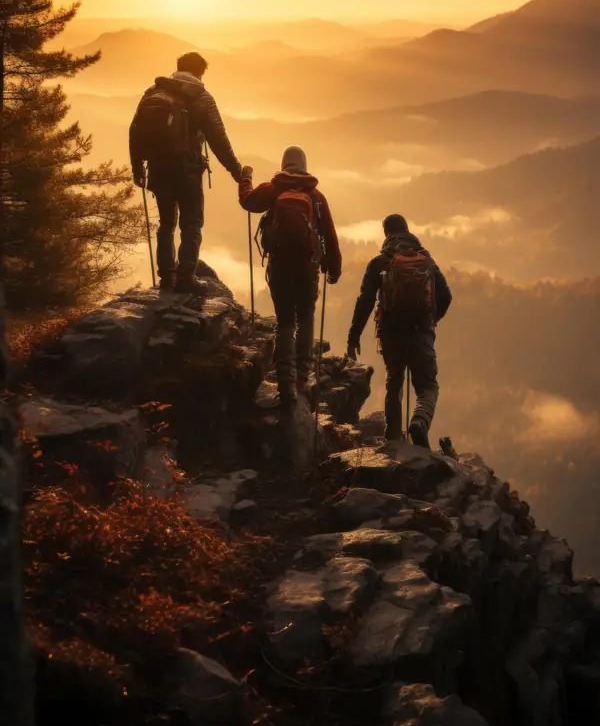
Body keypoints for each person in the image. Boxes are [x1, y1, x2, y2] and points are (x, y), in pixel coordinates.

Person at [130, 51, 243, 293]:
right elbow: (218, 139)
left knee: (166, 223)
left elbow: (135, 129)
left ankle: (166, 278)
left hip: (159, 168)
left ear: (178, 68)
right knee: (191, 224)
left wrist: (137, 167)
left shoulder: (153, 92)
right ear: (200, 72)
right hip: (187, 170)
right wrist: (237, 171)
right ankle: (186, 278)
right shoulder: (201, 97)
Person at [239, 147, 342, 408]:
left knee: (285, 323)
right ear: (304, 165)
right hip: (308, 267)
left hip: (280, 266)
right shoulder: (315, 195)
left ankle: (285, 383)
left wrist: (246, 177)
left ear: (284, 163)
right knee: (305, 318)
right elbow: (330, 236)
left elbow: (248, 201)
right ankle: (301, 379)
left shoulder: (274, 188)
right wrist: (333, 269)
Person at [346, 214, 451, 448]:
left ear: (386, 233)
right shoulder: (426, 260)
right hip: (420, 332)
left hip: (390, 333)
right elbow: (446, 295)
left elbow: (365, 301)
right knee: (427, 386)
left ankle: (392, 438)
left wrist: (353, 337)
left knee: (394, 382)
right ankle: (420, 420)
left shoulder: (379, 262)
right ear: (407, 230)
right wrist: (430, 321)